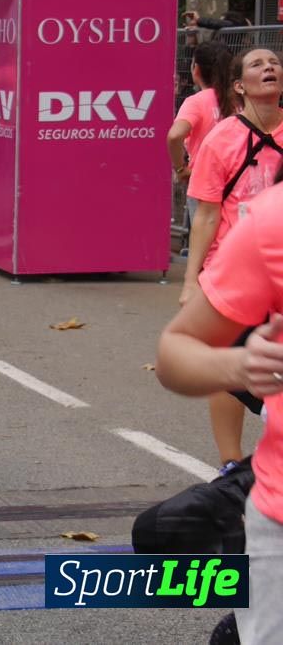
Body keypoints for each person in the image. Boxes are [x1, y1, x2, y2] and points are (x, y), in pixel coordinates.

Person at [155, 189, 283, 645]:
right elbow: (175, 352)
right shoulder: (273, 222)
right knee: (161, 532)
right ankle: (233, 472)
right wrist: (241, 365)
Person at [184, 48, 283, 472]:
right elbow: (206, 214)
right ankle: (230, 463)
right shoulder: (221, 138)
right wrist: (192, 281)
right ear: (239, 86)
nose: (270, 67)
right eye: (258, 64)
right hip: (234, 273)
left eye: (276, 62)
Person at [169, 41, 235, 184]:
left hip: (204, 179)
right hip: (237, 178)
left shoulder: (196, 102)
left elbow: (174, 136)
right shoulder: (241, 99)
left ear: (196, 69)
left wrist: (181, 169)